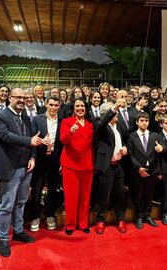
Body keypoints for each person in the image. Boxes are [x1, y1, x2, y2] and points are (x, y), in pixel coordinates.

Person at [0, 88, 42, 257]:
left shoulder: (27, 118)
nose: (21, 100)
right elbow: (5, 136)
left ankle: (19, 231)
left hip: (26, 168)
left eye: (24, 97)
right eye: (18, 97)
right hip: (9, 168)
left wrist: (33, 157)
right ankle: (4, 239)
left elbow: (34, 140)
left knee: (20, 202)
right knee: (6, 206)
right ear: (10, 98)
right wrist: (30, 141)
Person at [59, 98, 94, 236]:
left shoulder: (90, 124)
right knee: (71, 197)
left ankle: (83, 223)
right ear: (73, 108)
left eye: (82, 106)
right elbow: (63, 139)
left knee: (85, 196)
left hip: (87, 164)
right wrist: (70, 132)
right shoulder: (67, 122)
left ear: (86, 108)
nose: (80, 108)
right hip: (70, 165)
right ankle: (70, 224)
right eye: (77, 106)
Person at [94, 100, 128, 234]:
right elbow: (103, 122)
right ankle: (100, 220)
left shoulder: (118, 126)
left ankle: (120, 219)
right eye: (115, 113)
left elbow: (121, 141)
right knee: (104, 195)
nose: (117, 114)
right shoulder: (100, 125)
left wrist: (124, 148)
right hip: (107, 166)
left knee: (120, 194)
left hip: (118, 166)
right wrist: (115, 107)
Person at [30, 96, 62, 232]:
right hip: (40, 158)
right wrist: (40, 141)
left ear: (59, 106)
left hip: (55, 159)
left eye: (56, 105)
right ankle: (35, 216)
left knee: (53, 189)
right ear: (46, 104)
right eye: (51, 105)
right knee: (37, 189)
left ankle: (50, 215)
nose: (53, 107)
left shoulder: (62, 121)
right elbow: (31, 138)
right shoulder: (37, 119)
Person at [127, 112, 163, 229]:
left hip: (152, 170)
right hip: (138, 170)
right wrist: (138, 167)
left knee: (149, 194)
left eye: (146, 121)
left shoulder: (154, 135)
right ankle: (139, 217)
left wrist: (161, 148)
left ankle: (147, 215)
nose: (144, 123)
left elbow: (162, 149)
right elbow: (131, 155)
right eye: (142, 120)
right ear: (137, 122)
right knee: (138, 194)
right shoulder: (132, 136)